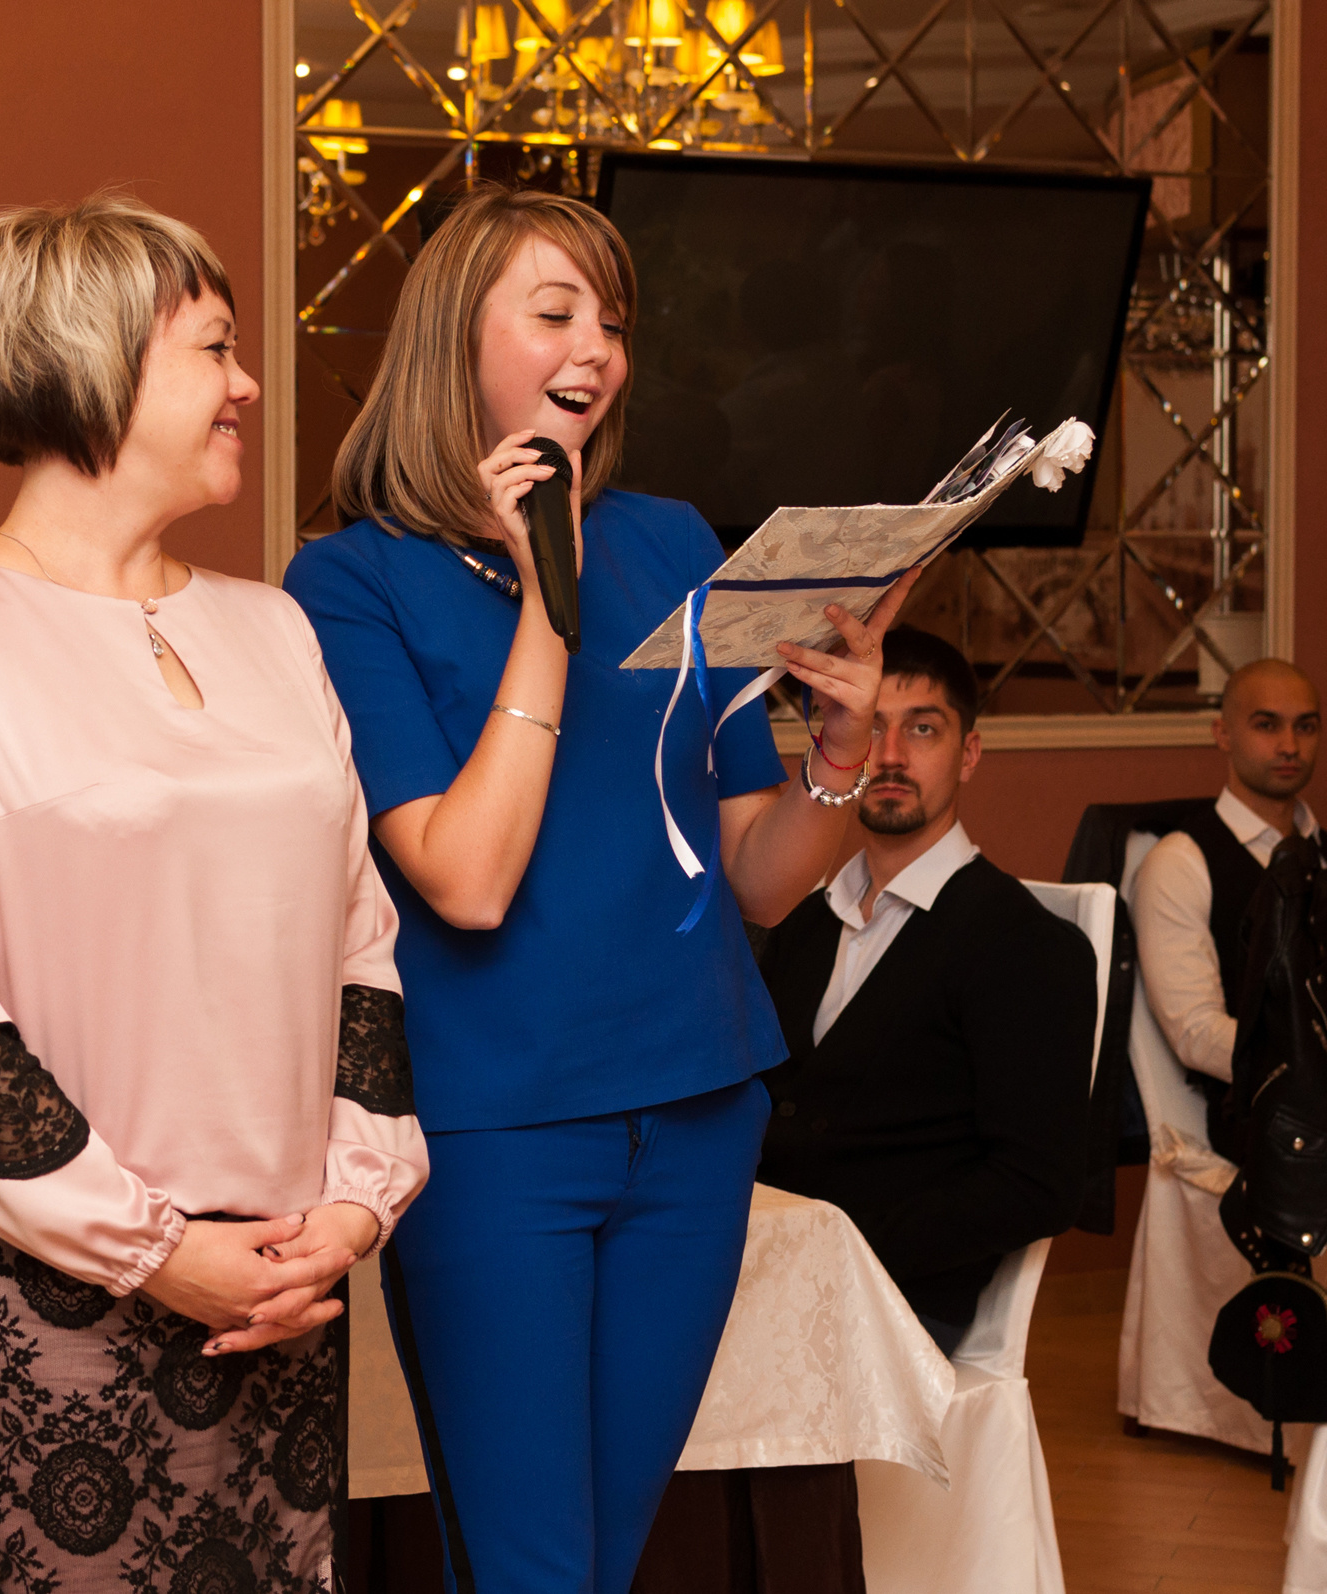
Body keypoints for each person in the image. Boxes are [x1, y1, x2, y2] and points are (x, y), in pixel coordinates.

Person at [282, 183, 914, 1592]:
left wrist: (849, 742)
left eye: (613, 322)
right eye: (557, 311)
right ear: (460, 339)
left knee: (604, 1558)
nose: (598, 349)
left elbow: (758, 876)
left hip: (696, 1111)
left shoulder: (679, 541)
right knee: (529, 1568)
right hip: (497, 1131)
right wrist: (545, 598)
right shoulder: (348, 580)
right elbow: (466, 877)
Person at [0, 192, 428, 1593]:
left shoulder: (273, 626)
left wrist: (351, 1204)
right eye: (213, 349)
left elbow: (360, 947)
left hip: (279, 1284)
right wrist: (161, 1249)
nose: (248, 383)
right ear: (89, 363)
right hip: (26, 1297)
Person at [754, 629, 1095, 1355]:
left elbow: (1039, 1183)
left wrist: (840, 1251)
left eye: (924, 729)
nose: (890, 756)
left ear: (968, 754)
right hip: (762, 1275)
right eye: (870, 726)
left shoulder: (1024, 943)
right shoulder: (801, 922)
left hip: (897, 1308)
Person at [1133, 659, 1327, 1158]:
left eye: (1305, 726)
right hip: (1263, 1121)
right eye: (1267, 725)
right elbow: (1195, 1031)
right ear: (1223, 733)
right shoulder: (1180, 863)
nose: (1289, 745)